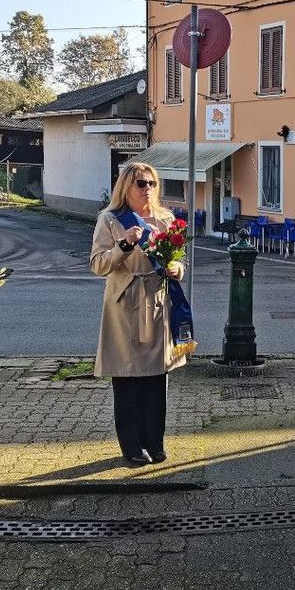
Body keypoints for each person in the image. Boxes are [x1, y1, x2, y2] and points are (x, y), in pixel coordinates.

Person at [90, 163, 192, 466]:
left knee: (156, 377)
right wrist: (125, 244)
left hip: (157, 301)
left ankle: (155, 442)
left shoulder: (166, 218)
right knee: (127, 376)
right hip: (124, 304)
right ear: (126, 186)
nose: (148, 189)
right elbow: (97, 265)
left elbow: (180, 259)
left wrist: (177, 268)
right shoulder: (110, 219)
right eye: (141, 183)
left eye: (152, 183)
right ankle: (132, 446)